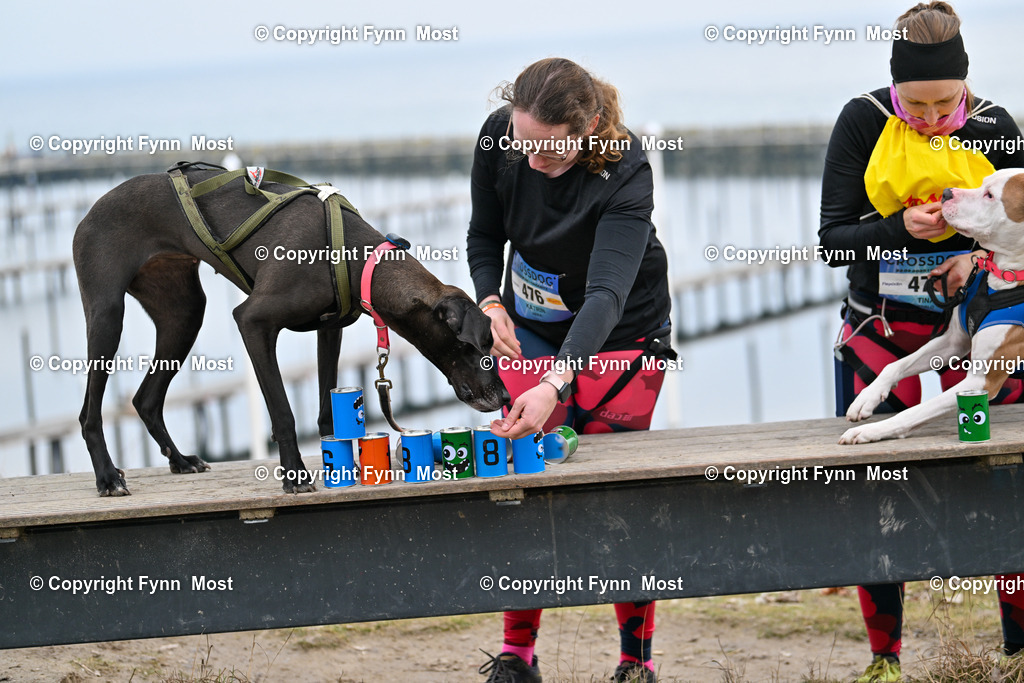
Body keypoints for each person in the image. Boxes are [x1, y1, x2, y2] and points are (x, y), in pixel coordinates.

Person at [820, 3, 1024, 681]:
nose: (935, 118)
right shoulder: (862, 120)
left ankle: (1017, 646)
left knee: (999, 475)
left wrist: (975, 256)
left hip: (982, 327)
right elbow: (831, 240)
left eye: (947, 103)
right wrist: (901, 228)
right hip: (882, 330)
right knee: (878, 486)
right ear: (894, 85)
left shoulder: (997, 124)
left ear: (967, 84)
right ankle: (885, 660)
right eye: (919, 104)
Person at [467, 57, 674, 683]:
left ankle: (634, 661)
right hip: (529, 321)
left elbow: (606, 296)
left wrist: (556, 381)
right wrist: (490, 299)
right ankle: (517, 656)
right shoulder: (501, 138)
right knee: (524, 477)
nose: (532, 162)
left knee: (615, 491)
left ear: (585, 132)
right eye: (523, 145)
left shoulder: (626, 169)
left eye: (550, 153)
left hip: (621, 330)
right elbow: (483, 236)